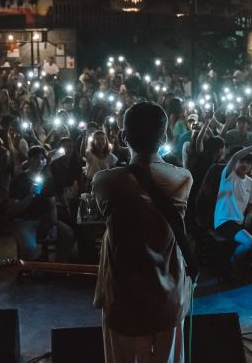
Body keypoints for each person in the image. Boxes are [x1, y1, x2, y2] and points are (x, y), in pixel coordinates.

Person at [92, 102, 193, 363]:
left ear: (123, 137)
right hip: (169, 294)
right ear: (165, 137)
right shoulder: (182, 178)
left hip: (123, 297)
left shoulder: (105, 181)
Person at [8, 146, 75, 263]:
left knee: (68, 234)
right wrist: (31, 196)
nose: (40, 161)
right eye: (36, 158)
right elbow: (13, 209)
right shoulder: (19, 180)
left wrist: (53, 224)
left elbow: (52, 205)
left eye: (43, 158)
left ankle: (57, 267)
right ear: (29, 161)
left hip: (43, 219)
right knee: (30, 248)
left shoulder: (47, 180)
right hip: (24, 221)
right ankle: (30, 269)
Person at [213, 140, 252, 275]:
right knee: (250, 242)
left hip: (240, 222)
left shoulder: (250, 182)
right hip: (224, 221)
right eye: (242, 161)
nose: (245, 164)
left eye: (248, 162)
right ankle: (232, 262)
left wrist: (249, 214)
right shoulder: (228, 176)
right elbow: (235, 156)